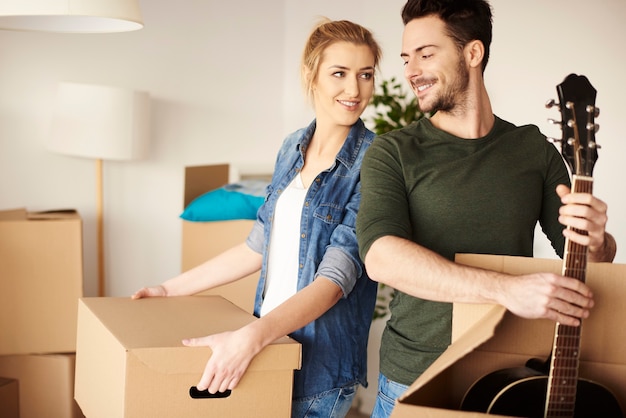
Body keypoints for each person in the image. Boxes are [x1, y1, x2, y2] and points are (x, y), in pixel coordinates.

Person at [355, 1, 617, 417]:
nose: (410, 71)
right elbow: (382, 258)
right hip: (416, 376)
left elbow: (584, 258)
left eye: (426, 54)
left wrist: (599, 240)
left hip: (511, 376)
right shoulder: (393, 152)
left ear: (472, 53)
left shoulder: (532, 149)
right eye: (407, 58)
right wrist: (505, 289)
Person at [133, 18, 382, 418]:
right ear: (311, 75)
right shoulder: (291, 147)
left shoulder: (376, 162)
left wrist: (249, 338)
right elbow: (258, 244)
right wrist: (169, 288)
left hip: (317, 367)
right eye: (339, 73)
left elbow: (335, 281)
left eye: (365, 75)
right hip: (270, 346)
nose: (354, 90)